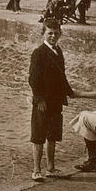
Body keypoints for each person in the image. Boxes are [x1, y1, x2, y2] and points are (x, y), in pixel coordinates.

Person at [28, 19, 75, 181]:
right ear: (43, 34)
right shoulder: (38, 53)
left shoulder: (58, 51)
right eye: (50, 33)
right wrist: (39, 99)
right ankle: (36, 170)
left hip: (56, 101)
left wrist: (69, 92)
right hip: (43, 102)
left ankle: (51, 168)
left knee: (53, 136)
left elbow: (62, 76)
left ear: (60, 34)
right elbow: (33, 79)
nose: (53, 36)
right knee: (38, 136)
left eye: (56, 33)